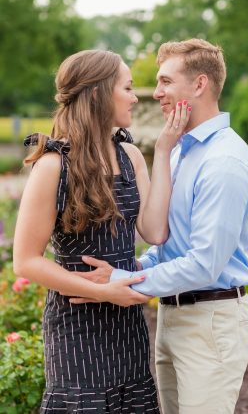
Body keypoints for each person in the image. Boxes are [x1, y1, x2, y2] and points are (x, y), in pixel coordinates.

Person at [72, 39, 248, 413]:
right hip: (173, 317)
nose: (156, 93)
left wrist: (119, 283)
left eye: (165, 82)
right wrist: (134, 269)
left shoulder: (224, 161)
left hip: (210, 323)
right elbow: (170, 244)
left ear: (199, 84)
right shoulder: (180, 151)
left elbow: (204, 263)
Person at [12, 49, 190, 412]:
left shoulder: (131, 156)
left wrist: (164, 148)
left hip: (127, 326)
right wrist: (106, 292)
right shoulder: (53, 166)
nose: (134, 96)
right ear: (97, 94)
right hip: (76, 331)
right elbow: (26, 262)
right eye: (127, 87)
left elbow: (155, 232)